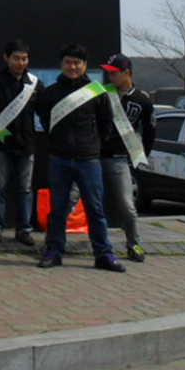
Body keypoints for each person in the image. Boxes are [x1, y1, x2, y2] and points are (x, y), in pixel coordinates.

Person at [36, 44, 126, 272]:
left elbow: (107, 123)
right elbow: (46, 121)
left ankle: (103, 254)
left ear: (85, 66)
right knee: (58, 208)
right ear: (61, 64)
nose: (72, 66)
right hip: (59, 158)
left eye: (77, 62)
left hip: (89, 159)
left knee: (95, 209)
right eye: (68, 62)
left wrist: (93, 144)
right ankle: (54, 250)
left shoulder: (97, 92)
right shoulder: (51, 93)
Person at [0, 38, 40, 247]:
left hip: (27, 144)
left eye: (24, 59)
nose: (21, 63)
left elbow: (45, 110)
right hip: (1, 144)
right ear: (6, 58)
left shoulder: (34, 83)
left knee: (25, 189)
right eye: (16, 58)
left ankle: (24, 229)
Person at [99, 53, 155, 263]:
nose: (110, 76)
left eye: (114, 72)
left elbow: (150, 132)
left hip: (119, 159)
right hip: (93, 156)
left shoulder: (142, 100)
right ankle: (55, 241)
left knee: (127, 204)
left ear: (127, 73)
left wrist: (141, 157)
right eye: (109, 72)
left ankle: (134, 245)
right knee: (73, 197)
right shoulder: (104, 94)